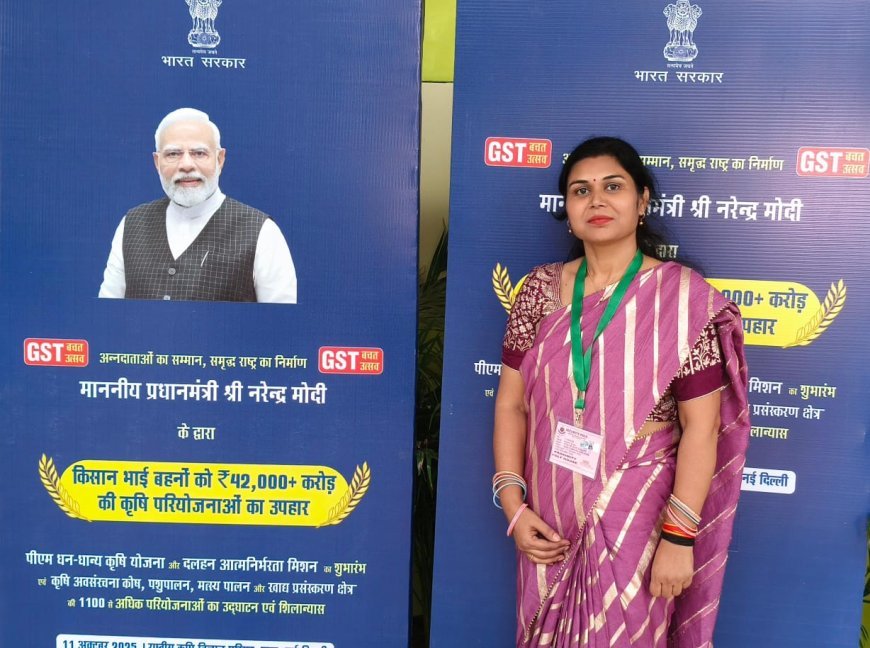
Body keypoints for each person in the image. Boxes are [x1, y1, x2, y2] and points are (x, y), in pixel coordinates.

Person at [493, 137, 749, 647]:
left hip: (638, 515)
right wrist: (513, 506)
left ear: (642, 200)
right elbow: (511, 403)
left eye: (613, 187)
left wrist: (679, 537)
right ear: (568, 210)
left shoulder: (682, 299)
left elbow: (702, 428)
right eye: (580, 190)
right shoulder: (539, 291)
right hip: (549, 512)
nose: (597, 200)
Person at [99, 108, 297, 303]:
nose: (186, 165)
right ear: (157, 162)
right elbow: (107, 315)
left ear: (220, 159)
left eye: (199, 153)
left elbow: (281, 322)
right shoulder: (131, 225)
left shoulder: (263, 232)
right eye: (173, 154)